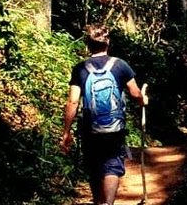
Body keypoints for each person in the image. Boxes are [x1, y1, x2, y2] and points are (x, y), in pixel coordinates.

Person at [61, 25, 147, 205]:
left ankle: (99, 203)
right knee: (113, 165)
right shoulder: (120, 65)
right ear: (107, 42)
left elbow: (73, 101)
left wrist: (66, 132)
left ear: (88, 45)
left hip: (89, 129)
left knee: (94, 166)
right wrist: (142, 99)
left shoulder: (80, 69)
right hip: (114, 128)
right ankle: (108, 203)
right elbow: (134, 93)